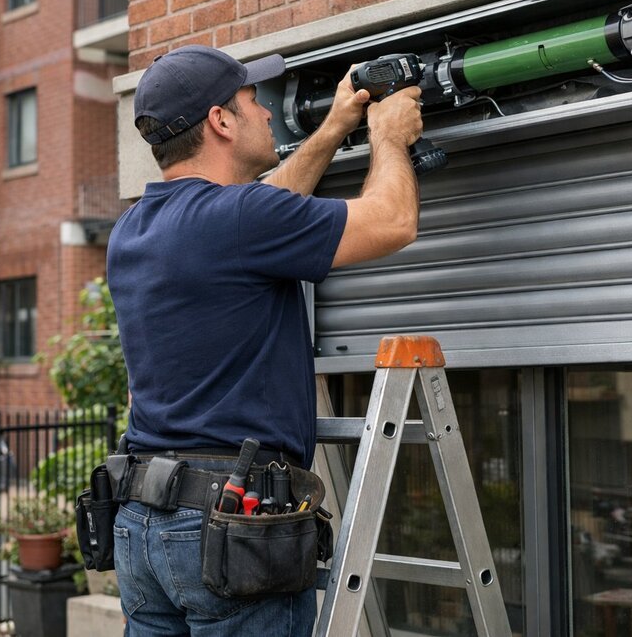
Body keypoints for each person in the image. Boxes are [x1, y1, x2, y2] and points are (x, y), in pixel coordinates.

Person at [105, 44, 422, 636]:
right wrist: (388, 136)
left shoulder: (133, 230)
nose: (269, 113)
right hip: (231, 532)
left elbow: (265, 207)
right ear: (221, 121)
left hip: (143, 524)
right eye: (253, 101)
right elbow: (393, 221)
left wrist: (331, 129)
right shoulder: (239, 219)